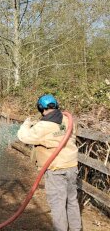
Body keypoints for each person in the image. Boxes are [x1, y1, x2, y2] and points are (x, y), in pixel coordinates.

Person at [17, 94, 82, 231]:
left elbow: (24, 137)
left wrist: (26, 123)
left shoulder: (43, 126)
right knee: (72, 201)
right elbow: (71, 136)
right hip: (71, 167)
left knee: (58, 205)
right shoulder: (68, 120)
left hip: (56, 169)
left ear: (40, 107)